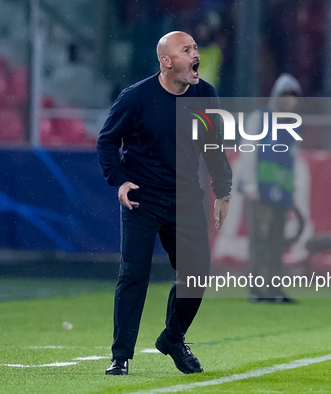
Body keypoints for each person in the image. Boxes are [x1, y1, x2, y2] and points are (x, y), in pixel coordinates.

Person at [97, 31, 232, 375]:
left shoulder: (205, 95)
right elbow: (107, 142)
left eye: (195, 48)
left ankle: (173, 337)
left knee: (197, 274)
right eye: (186, 50)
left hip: (187, 199)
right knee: (134, 275)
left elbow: (213, 146)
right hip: (143, 199)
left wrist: (223, 190)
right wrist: (119, 179)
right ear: (167, 62)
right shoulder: (136, 98)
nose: (195, 54)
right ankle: (121, 356)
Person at [236, 73, 301, 303]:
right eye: (286, 95)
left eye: (293, 97)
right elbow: (248, 152)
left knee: (275, 243)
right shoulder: (260, 118)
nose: (290, 101)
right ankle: (258, 289)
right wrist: (251, 185)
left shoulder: (291, 125)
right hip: (260, 192)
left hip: (280, 194)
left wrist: (291, 194)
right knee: (260, 242)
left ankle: (274, 289)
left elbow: (291, 163)